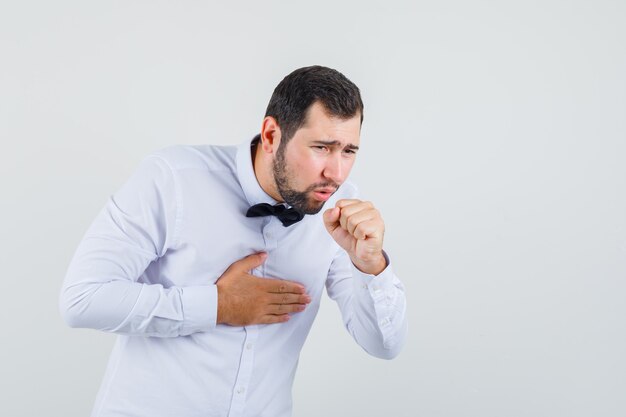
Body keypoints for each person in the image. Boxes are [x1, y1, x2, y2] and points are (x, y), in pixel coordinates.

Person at [60, 65, 407, 417]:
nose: (336, 173)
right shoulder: (174, 179)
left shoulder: (339, 208)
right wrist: (217, 306)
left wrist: (371, 265)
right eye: (321, 147)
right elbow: (82, 299)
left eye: (349, 151)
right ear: (271, 134)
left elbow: (383, 345)